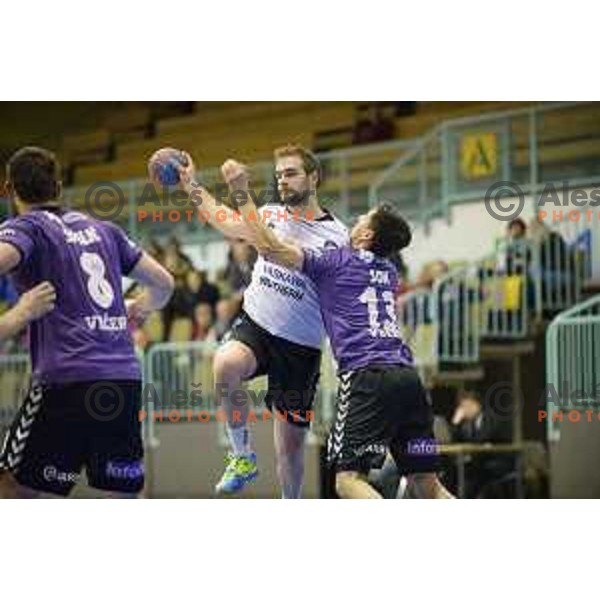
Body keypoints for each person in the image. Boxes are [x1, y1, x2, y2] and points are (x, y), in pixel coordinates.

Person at [221, 158, 453, 499]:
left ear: (365, 236)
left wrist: (241, 194)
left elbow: (269, 248)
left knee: (347, 481)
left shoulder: (338, 260)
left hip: (367, 378)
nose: (353, 223)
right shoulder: (389, 272)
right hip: (408, 379)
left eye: (361, 220)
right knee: (428, 485)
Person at [0, 146, 174, 499]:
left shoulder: (25, 229)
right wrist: (139, 307)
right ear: (59, 187)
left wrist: (18, 315)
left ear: (8, 189)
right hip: (122, 381)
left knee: (15, 486)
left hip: (65, 382)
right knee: (122, 493)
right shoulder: (104, 230)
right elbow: (165, 284)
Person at [177, 144, 348, 498]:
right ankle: (241, 456)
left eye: (291, 173)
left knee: (290, 449)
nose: (282, 181)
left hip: (299, 345)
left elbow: (271, 249)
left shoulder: (336, 236)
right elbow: (224, 221)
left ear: (313, 177)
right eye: (279, 175)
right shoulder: (268, 212)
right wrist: (191, 185)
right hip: (257, 323)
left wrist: (240, 190)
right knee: (225, 363)